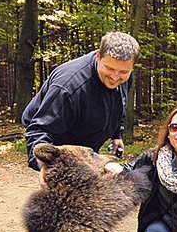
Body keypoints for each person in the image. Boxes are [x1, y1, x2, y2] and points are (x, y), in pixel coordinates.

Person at [21, 32, 140, 188]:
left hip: (88, 144)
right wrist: (46, 165)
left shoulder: (124, 75)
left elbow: (119, 103)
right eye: (110, 69)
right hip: (61, 147)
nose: (115, 77)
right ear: (98, 57)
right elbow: (39, 129)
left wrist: (116, 134)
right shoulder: (69, 87)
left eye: (123, 72)